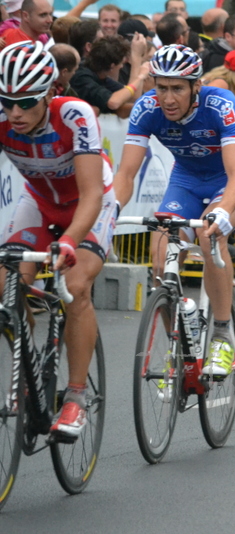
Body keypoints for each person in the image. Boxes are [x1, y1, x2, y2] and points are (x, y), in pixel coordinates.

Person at [113, 45, 235, 378]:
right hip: (187, 180)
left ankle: (222, 335)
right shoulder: (147, 108)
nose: (168, 98)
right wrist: (111, 210)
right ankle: (178, 348)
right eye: (161, 87)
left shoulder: (220, 105)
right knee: (160, 250)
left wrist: (222, 213)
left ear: (196, 86)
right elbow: (125, 175)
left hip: (230, 179)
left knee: (210, 237)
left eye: (177, 88)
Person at [0, 42, 115, 438]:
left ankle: (76, 397)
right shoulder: (3, 118)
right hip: (39, 203)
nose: (14, 112)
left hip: (88, 204)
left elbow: (92, 194)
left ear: (49, 93)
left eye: (26, 102)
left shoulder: (74, 115)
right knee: (4, 284)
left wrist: (69, 242)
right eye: (6, 101)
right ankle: (28, 361)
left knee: (74, 284)